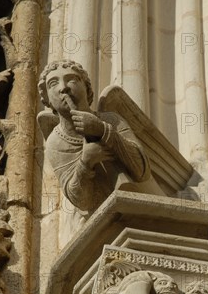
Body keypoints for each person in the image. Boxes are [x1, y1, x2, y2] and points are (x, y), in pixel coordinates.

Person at [38, 60, 151, 212]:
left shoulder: (111, 119)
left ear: (87, 88)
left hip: (134, 206)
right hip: (100, 216)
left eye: (72, 79)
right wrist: (86, 162)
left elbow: (142, 170)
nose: (63, 88)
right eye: (53, 83)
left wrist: (103, 130)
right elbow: (80, 200)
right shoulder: (55, 141)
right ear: (47, 99)